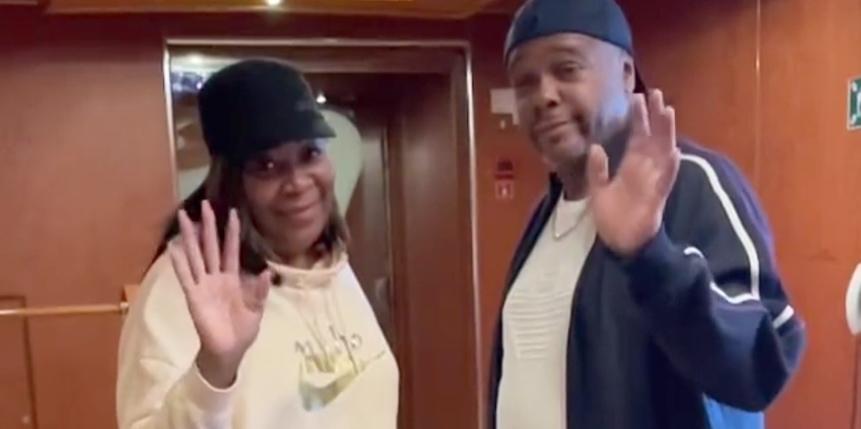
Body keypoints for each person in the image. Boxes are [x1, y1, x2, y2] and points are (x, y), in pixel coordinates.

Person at [489, 0, 805, 428]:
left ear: (626, 73)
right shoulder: (542, 217)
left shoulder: (689, 183)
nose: (544, 96)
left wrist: (650, 256)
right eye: (525, 82)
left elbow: (761, 365)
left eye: (567, 69)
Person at [116, 59, 399, 429]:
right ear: (231, 182)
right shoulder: (187, 284)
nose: (298, 182)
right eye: (266, 166)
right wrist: (214, 371)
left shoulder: (330, 264)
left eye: (310, 154)